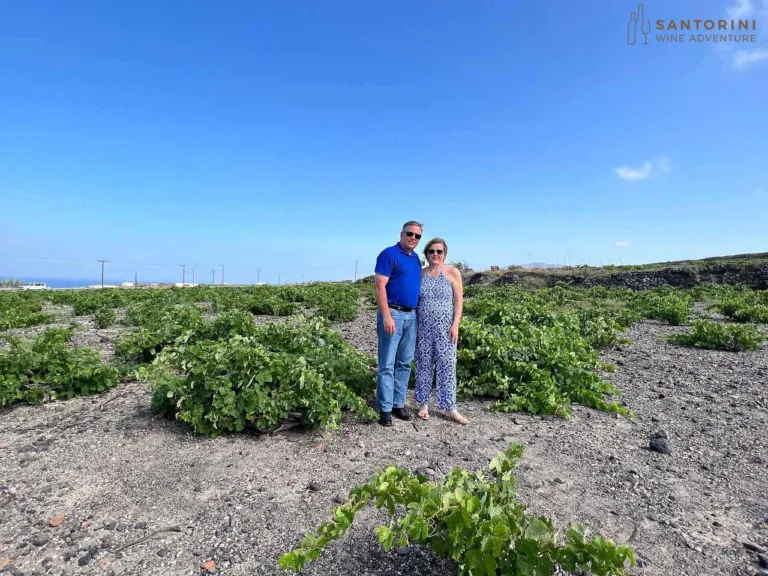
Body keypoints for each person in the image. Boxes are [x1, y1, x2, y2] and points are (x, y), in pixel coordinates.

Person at [374, 221, 424, 427]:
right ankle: (385, 408)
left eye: (417, 236)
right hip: (393, 313)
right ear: (402, 234)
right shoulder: (389, 254)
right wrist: (386, 315)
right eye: (410, 234)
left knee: (404, 363)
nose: (413, 238)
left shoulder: (416, 260)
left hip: (411, 316)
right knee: (387, 363)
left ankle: (398, 403)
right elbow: (379, 286)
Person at [414, 237, 467, 424]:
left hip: (446, 328)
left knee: (447, 364)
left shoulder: (453, 272)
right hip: (423, 327)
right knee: (423, 363)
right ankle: (423, 404)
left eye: (439, 251)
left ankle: (450, 406)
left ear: (445, 254)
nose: (435, 254)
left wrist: (455, 324)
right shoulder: (420, 274)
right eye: (431, 251)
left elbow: (458, 301)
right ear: (426, 254)